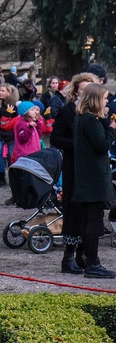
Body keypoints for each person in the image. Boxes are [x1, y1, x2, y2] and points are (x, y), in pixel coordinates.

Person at [51, 72, 99, 273]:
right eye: (82, 88)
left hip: (90, 168)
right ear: (76, 90)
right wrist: (77, 145)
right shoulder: (67, 111)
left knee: (88, 213)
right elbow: (55, 139)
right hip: (73, 166)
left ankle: (83, 255)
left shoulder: (95, 113)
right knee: (72, 210)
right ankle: (68, 256)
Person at [72, 83, 116, 278]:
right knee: (94, 223)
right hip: (94, 180)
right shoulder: (90, 121)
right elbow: (101, 145)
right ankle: (93, 263)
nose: (107, 102)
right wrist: (113, 129)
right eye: (105, 98)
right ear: (97, 100)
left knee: (88, 221)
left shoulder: (82, 119)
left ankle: (85, 259)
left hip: (87, 178)